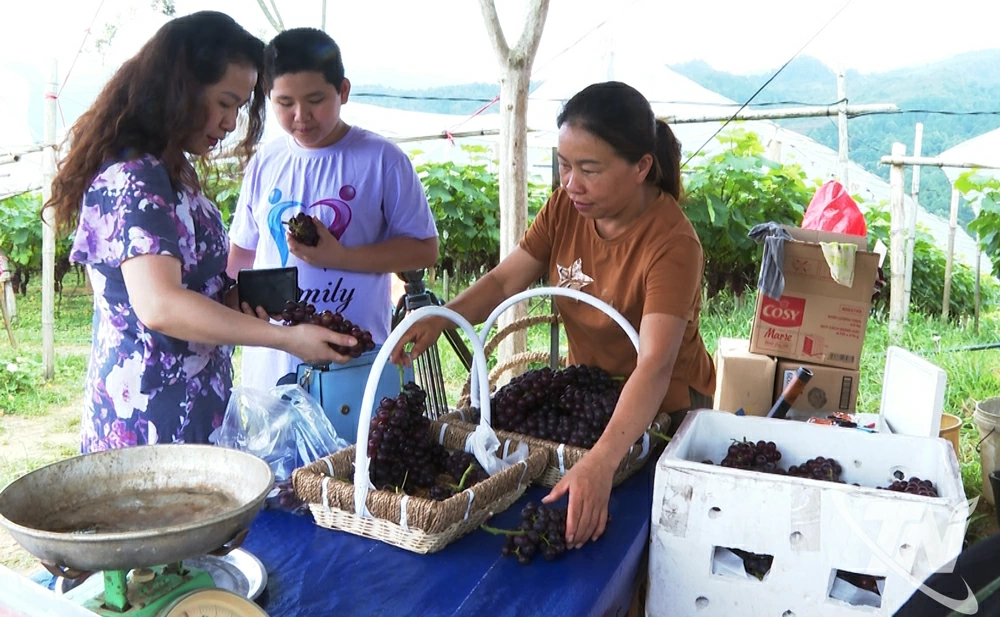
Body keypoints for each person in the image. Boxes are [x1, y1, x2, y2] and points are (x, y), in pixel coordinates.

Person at [392, 81, 716, 549]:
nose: (571, 184)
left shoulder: (672, 244)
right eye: (564, 166)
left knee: (652, 545)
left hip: (665, 412)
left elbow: (655, 365)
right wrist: (444, 317)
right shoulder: (566, 208)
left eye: (590, 169)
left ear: (642, 167)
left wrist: (602, 462)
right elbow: (506, 281)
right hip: (592, 397)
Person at [43, 12, 357, 454]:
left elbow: (187, 286)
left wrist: (232, 299)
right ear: (181, 87)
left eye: (240, 107)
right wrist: (288, 339)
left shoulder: (174, 170)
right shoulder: (136, 176)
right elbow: (160, 305)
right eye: (225, 102)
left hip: (194, 411)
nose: (231, 122)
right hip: (151, 423)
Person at [227, 27, 438, 391]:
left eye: (315, 100)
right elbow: (242, 255)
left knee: (353, 449)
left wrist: (339, 256)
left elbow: (424, 248)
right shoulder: (266, 161)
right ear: (267, 95)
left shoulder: (382, 160)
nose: (301, 116)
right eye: (285, 103)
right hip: (272, 366)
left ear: (343, 91)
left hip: (354, 361)